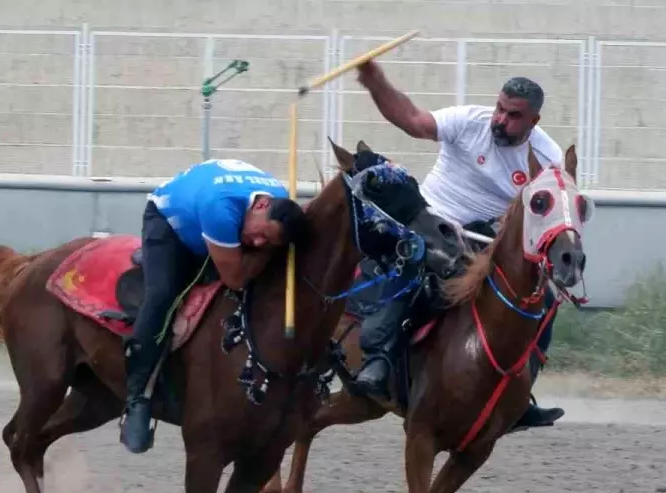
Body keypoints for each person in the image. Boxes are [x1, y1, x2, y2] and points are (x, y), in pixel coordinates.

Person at [352, 60, 565, 430]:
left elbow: (546, 216)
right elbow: (413, 120)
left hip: (484, 242)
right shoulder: (470, 121)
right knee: (414, 264)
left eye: (513, 115)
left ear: (534, 121)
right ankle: (378, 360)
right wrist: (376, 83)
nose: (500, 120)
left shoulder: (548, 160)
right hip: (428, 220)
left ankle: (519, 393)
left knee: (543, 300)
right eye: (500, 108)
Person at [121, 158, 312, 454]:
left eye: (268, 241)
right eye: (262, 235)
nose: (260, 242)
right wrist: (271, 252)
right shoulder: (221, 210)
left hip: (217, 218)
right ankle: (136, 398)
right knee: (163, 295)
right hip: (170, 224)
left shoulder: (274, 204)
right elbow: (236, 278)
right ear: (261, 206)